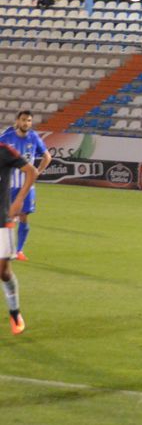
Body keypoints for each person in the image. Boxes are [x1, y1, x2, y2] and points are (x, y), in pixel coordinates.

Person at [0, 111, 52, 261]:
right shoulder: (7, 137)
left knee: (23, 216)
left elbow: (47, 156)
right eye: (23, 120)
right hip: (9, 185)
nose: (26, 123)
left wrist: (38, 173)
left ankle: (19, 251)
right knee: (6, 217)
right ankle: (5, 249)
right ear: (17, 121)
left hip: (27, 186)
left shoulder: (34, 137)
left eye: (29, 120)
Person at [0, 140, 37, 334]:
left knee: (3, 272)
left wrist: (19, 199)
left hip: (2, 219)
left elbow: (32, 171)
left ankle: (14, 312)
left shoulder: (4, 151)